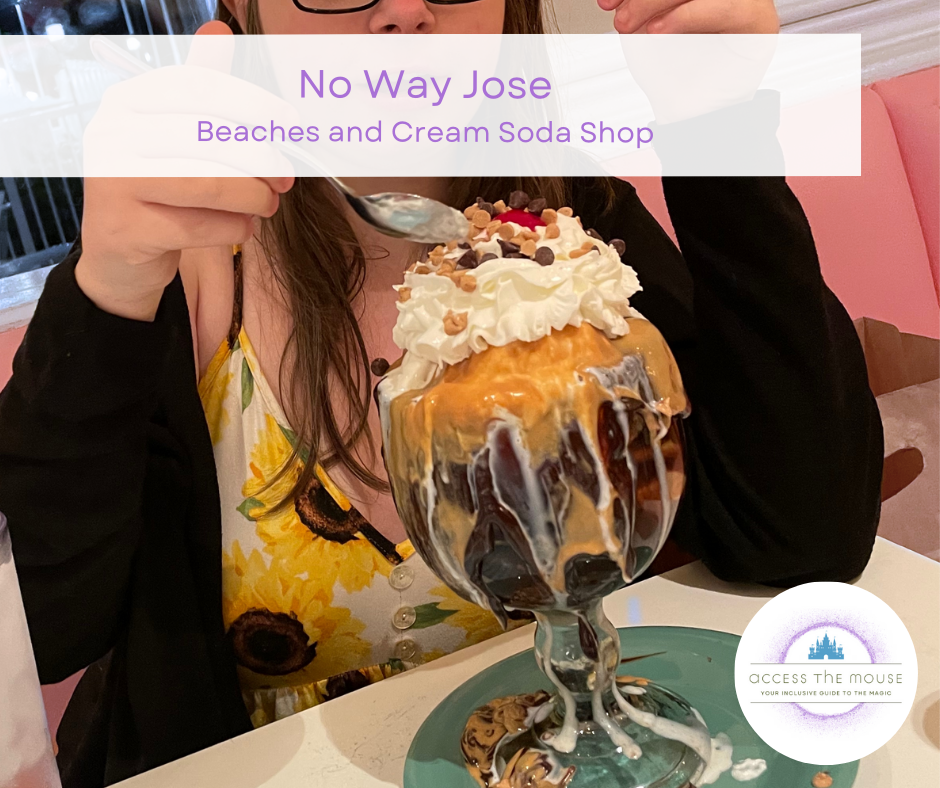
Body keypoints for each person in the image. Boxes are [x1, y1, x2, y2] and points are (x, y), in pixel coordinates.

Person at [0, 0, 882, 785]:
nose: (405, 10)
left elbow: (803, 536)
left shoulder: (565, 244)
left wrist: (718, 129)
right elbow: (46, 629)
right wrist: (106, 288)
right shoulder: (188, 273)